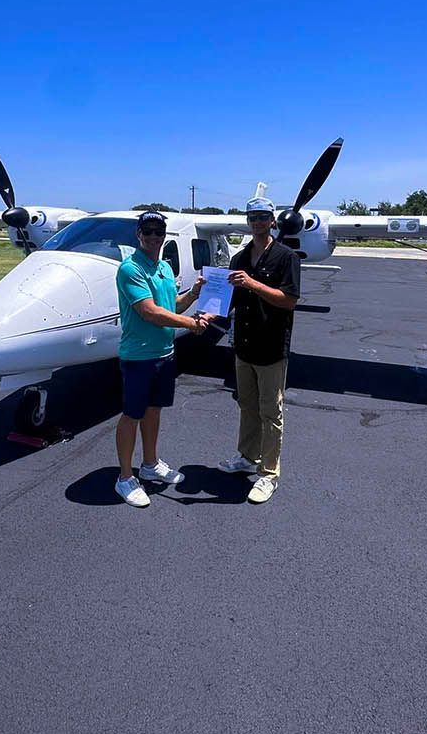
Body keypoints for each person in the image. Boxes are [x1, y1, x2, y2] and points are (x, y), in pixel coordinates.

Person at [113, 210, 208, 508]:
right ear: (139, 235)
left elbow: (170, 305)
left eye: (159, 232)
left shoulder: (165, 268)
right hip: (139, 356)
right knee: (132, 415)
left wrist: (192, 295)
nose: (154, 237)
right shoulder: (131, 269)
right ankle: (125, 477)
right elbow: (149, 312)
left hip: (164, 354)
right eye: (148, 231)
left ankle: (150, 463)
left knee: (153, 411)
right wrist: (191, 324)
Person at [218, 195, 300, 504]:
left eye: (263, 217)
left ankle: (269, 473)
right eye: (253, 217)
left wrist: (252, 284)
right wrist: (206, 307)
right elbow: (229, 302)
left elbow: (289, 300)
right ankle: (246, 457)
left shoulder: (286, 257)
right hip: (244, 346)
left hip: (271, 347)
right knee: (247, 406)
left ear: (273, 220)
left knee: (271, 412)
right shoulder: (239, 259)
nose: (257, 222)